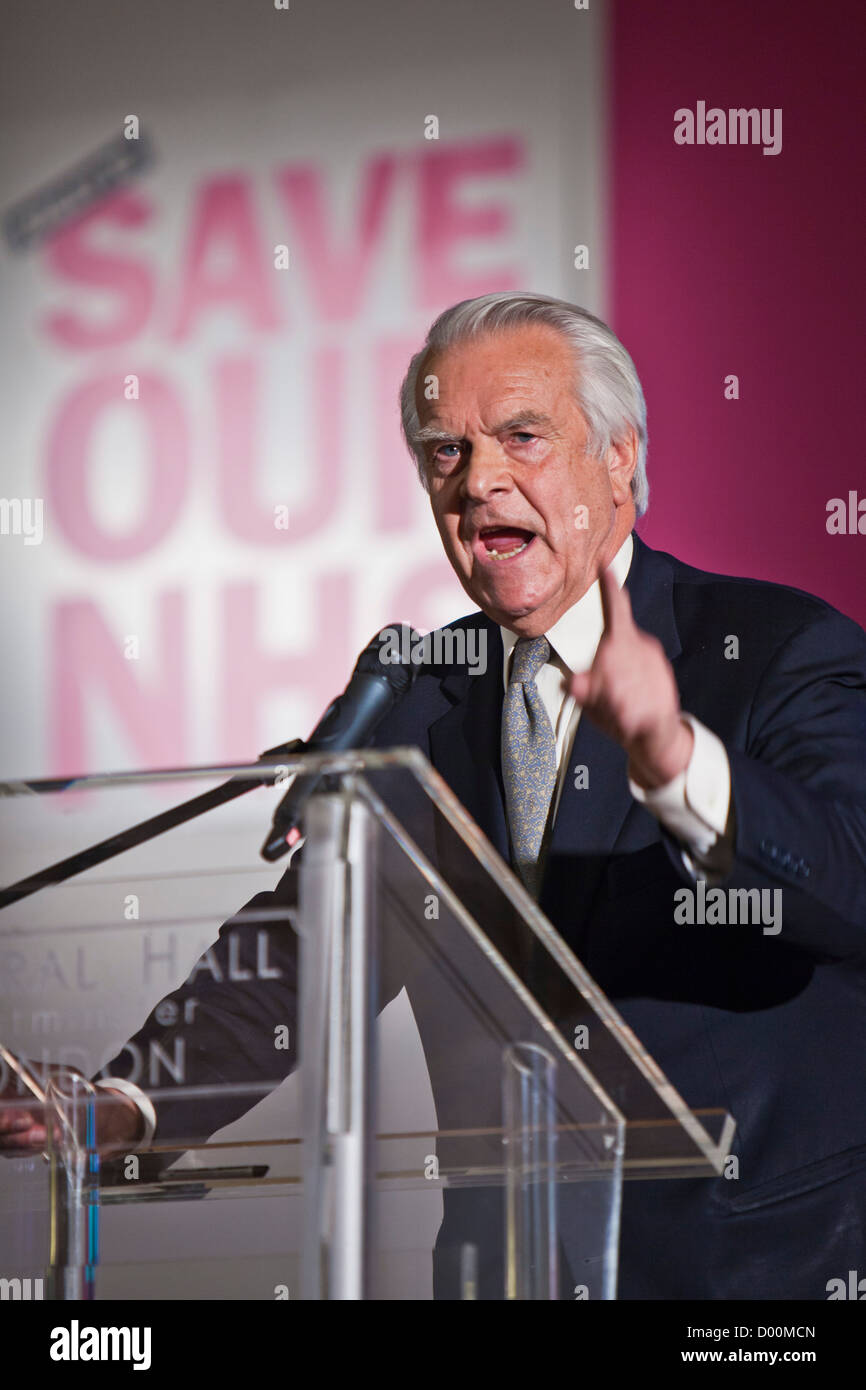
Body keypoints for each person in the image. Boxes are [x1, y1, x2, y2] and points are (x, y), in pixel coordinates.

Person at [3, 292, 866, 1299]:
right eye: (443, 452)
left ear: (619, 457)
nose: (478, 480)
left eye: (521, 436)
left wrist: (670, 756)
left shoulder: (771, 646)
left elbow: (845, 878)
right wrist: (123, 1104)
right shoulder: (423, 693)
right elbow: (301, 950)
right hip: (505, 1272)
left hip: (753, 1274)